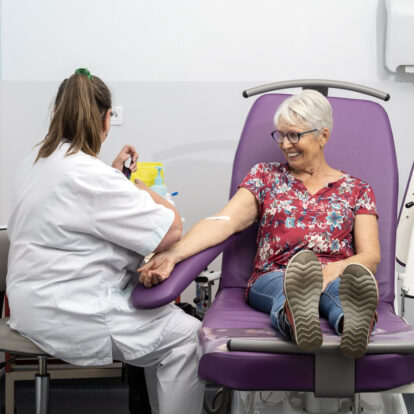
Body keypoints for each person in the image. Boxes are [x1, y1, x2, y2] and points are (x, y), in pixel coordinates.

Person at [6, 68, 204, 414]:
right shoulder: (90, 176)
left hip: (28, 308)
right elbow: (172, 229)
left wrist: (114, 178)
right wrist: (135, 186)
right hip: (72, 314)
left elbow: (80, 215)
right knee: (188, 338)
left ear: (57, 113)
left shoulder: (35, 161)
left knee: (164, 331)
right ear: (107, 119)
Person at [138, 89, 381, 359]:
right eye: (281, 135)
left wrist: (334, 270)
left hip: (337, 273)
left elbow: (370, 256)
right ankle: (294, 317)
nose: (285, 144)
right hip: (275, 274)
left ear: (323, 135)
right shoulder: (265, 177)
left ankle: (353, 323)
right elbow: (224, 222)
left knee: (344, 293)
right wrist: (174, 253)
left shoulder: (357, 190)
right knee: (288, 288)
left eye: (294, 135)